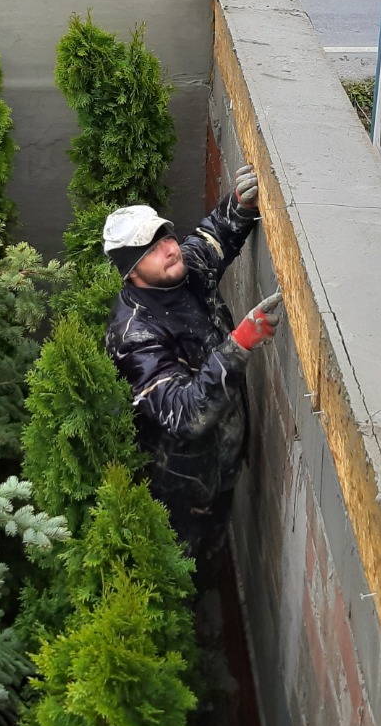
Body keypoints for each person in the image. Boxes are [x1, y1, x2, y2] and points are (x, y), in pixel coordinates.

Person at [102, 165, 281, 560]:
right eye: (151, 250)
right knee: (191, 562)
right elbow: (184, 415)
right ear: (132, 273)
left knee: (218, 539)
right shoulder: (134, 337)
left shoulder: (181, 271)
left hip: (224, 460)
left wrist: (239, 205)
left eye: (165, 237)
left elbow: (212, 237)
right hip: (185, 486)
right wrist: (239, 345)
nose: (169, 249)